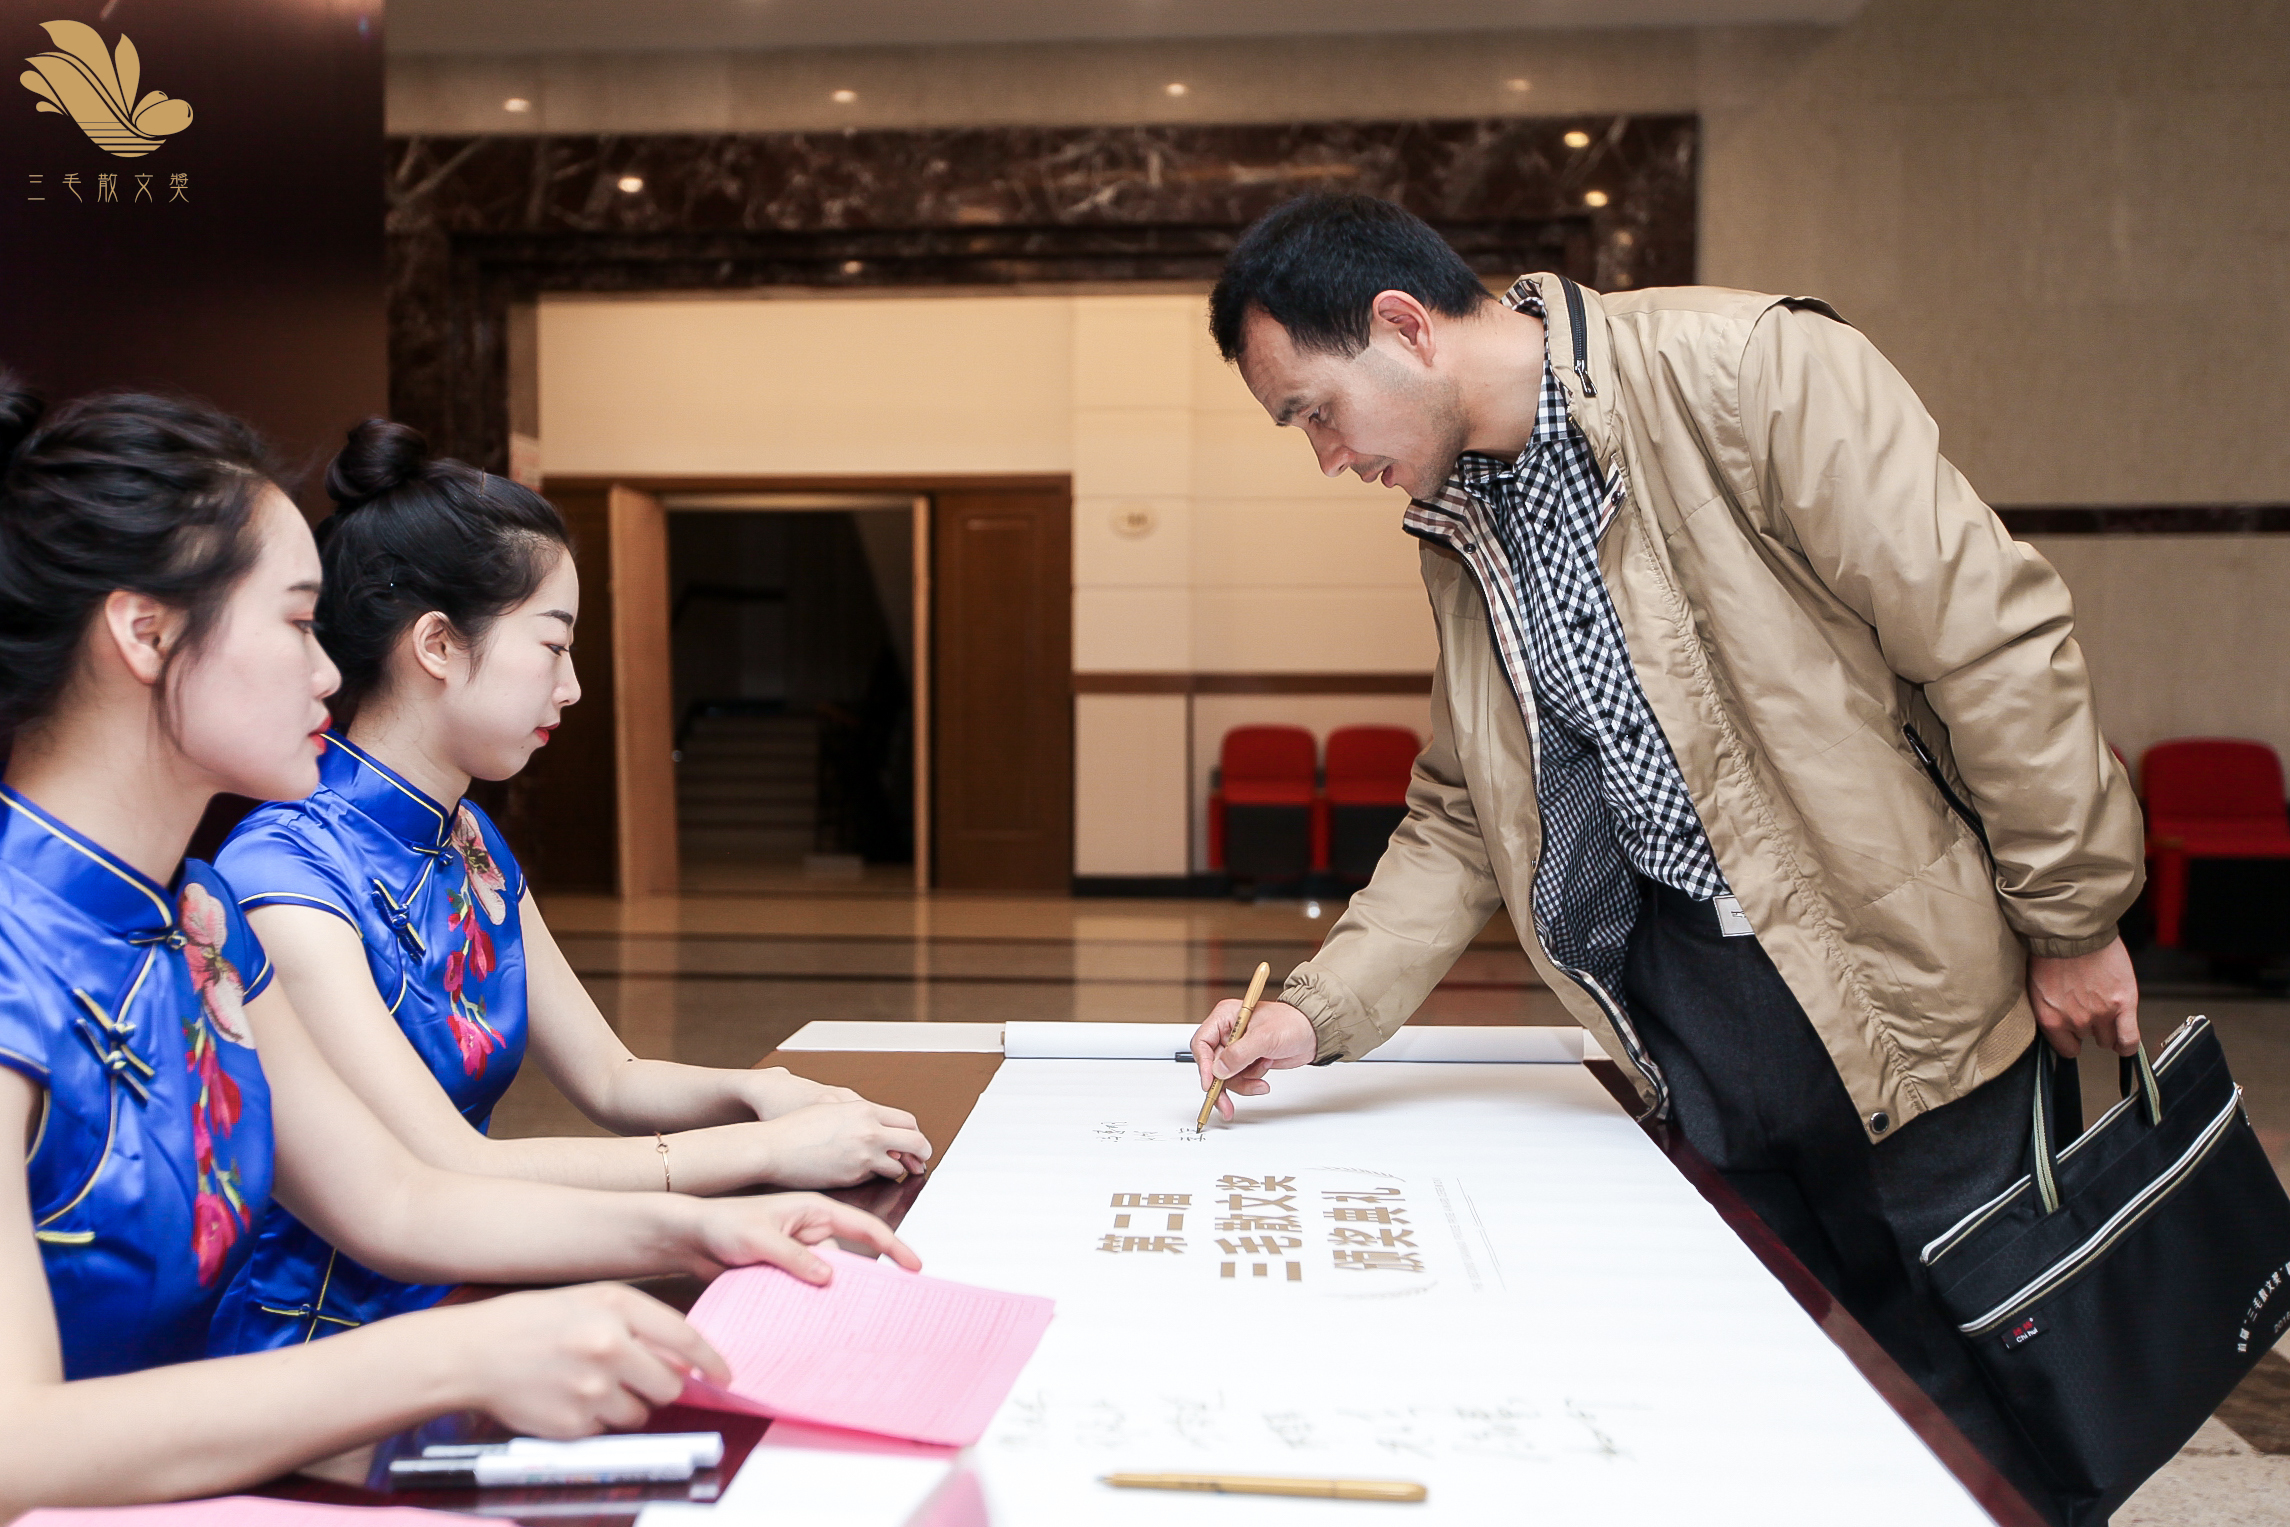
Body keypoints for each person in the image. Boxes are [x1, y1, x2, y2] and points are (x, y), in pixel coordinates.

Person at [1185, 195, 2144, 1525]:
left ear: (1403, 327)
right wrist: (1314, 1010)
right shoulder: (1464, 523)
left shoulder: (1747, 370)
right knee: (1792, 1392)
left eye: (1317, 412)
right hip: (1687, 1008)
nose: (1328, 458)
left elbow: (1990, 640)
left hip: (1897, 981)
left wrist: (2072, 914)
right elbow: (1466, 808)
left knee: (1988, 1401)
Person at [0, 376, 916, 1513]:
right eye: (295, 622)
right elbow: (14, 1444)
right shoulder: (93, 927)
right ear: (146, 633)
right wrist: (456, 1356)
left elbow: (396, 1200)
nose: (329, 670)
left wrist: (714, 1229)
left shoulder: (196, 912)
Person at [207, 419, 930, 1354]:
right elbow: (447, 1165)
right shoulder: (287, 873)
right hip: (324, 1337)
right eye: (553, 646)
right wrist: (758, 1151)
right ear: (438, 644)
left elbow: (612, 1077)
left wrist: (764, 1095)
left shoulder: (468, 837)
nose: (573, 685)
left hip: (480, 1277)